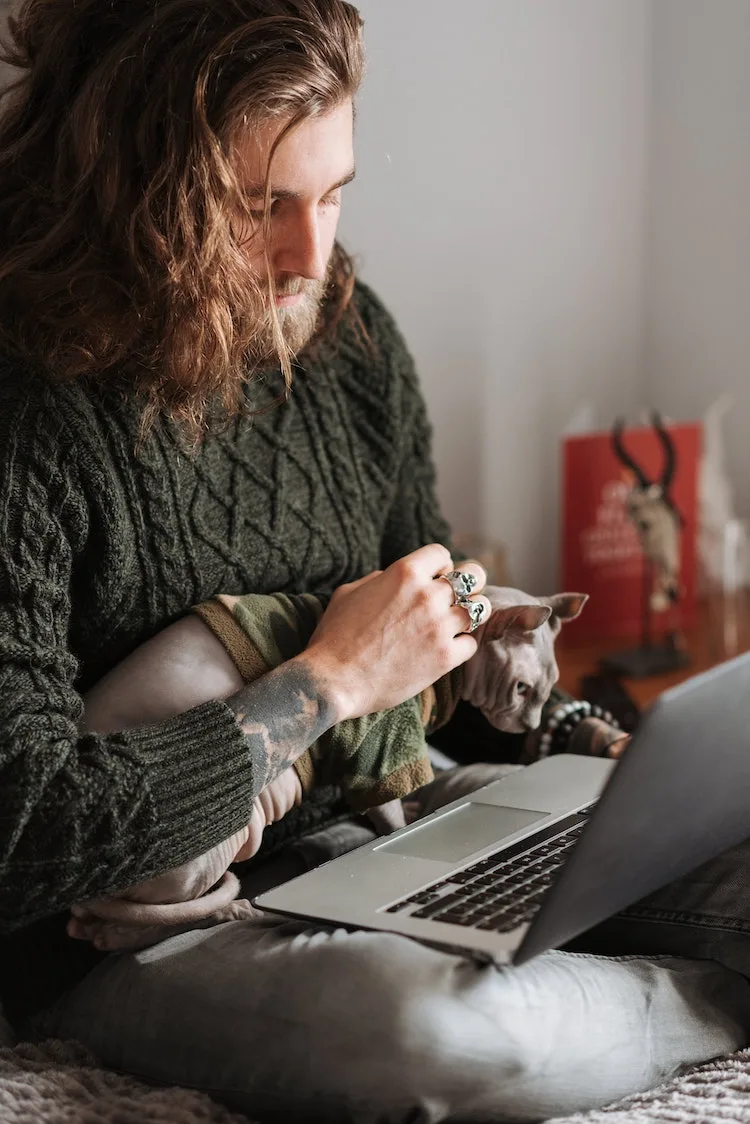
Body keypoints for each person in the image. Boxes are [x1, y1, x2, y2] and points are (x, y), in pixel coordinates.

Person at [0, 2, 749, 1121]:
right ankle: (697, 1003)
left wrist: (578, 733)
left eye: (334, 191)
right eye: (260, 208)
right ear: (134, 191)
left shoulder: (347, 339)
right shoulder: (27, 408)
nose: (313, 254)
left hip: (406, 818)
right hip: (132, 932)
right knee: (451, 1037)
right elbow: (25, 833)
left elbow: (444, 678)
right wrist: (329, 680)